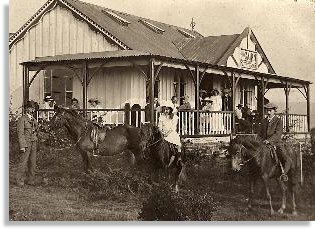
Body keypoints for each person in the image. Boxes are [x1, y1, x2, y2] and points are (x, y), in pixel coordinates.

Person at [258, 102, 292, 180]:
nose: (268, 112)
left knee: (284, 157)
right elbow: (259, 133)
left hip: (276, 143)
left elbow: (278, 134)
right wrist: (259, 140)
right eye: (267, 110)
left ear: (274, 111)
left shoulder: (278, 121)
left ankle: (284, 173)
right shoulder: (263, 121)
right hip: (264, 143)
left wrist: (269, 140)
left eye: (270, 110)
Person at [15, 100, 39, 187]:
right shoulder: (22, 119)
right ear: (26, 109)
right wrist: (22, 146)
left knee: (33, 162)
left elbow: (37, 131)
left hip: (34, 143)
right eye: (30, 108)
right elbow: (20, 133)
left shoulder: (34, 120)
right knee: (23, 162)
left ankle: (30, 180)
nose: (32, 110)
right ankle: (19, 180)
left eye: (33, 108)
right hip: (26, 143)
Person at [158, 101, 182, 167]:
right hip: (163, 133)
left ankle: (178, 158)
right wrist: (161, 132)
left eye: (167, 109)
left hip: (171, 133)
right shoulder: (161, 117)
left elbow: (173, 128)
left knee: (176, 143)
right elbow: (159, 126)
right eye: (165, 109)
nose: (166, 111)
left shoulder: (173, 117)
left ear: (170, 110)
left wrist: (167, 133)